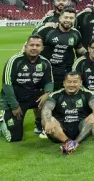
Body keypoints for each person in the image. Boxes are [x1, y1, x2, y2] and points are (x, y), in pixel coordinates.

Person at [0, 35, 54, 143]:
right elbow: (6, 85)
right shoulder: (15, 61)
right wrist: (14, 105)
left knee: (51, 100)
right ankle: (1, 121)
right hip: (15, 99)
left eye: (38, 45)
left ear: (42, 48)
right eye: (31, 45)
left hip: (33, 96)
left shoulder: (45, 62)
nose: (34, 48)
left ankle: (40, 126)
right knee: (15, 138)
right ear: (25, 46)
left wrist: (47, 93)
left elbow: (49, 81)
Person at [34, 8, 85, 136]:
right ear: (60, 18)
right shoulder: (47, 30)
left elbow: (80, 49)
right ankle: (39, 123)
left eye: (71, 18)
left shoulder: (76, 34)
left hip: (65, 72)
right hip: (45, 71)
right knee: (40, 98)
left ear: (74, 20)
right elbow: (31, 45)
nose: (68, 20)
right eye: (66, 17)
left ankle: (55, 122)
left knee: (58, 98)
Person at [41, 72, 94, 155]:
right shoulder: (55, 95)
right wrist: (47, 122)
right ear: (64, 83)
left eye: (75, 82)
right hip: (60, 131)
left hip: (81, 130)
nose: (72, 85)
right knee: (47, 119)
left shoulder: (87, 94)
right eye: (69, 82)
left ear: (80, 83)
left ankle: (76, 142)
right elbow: (46, 108)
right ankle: (68, 142)